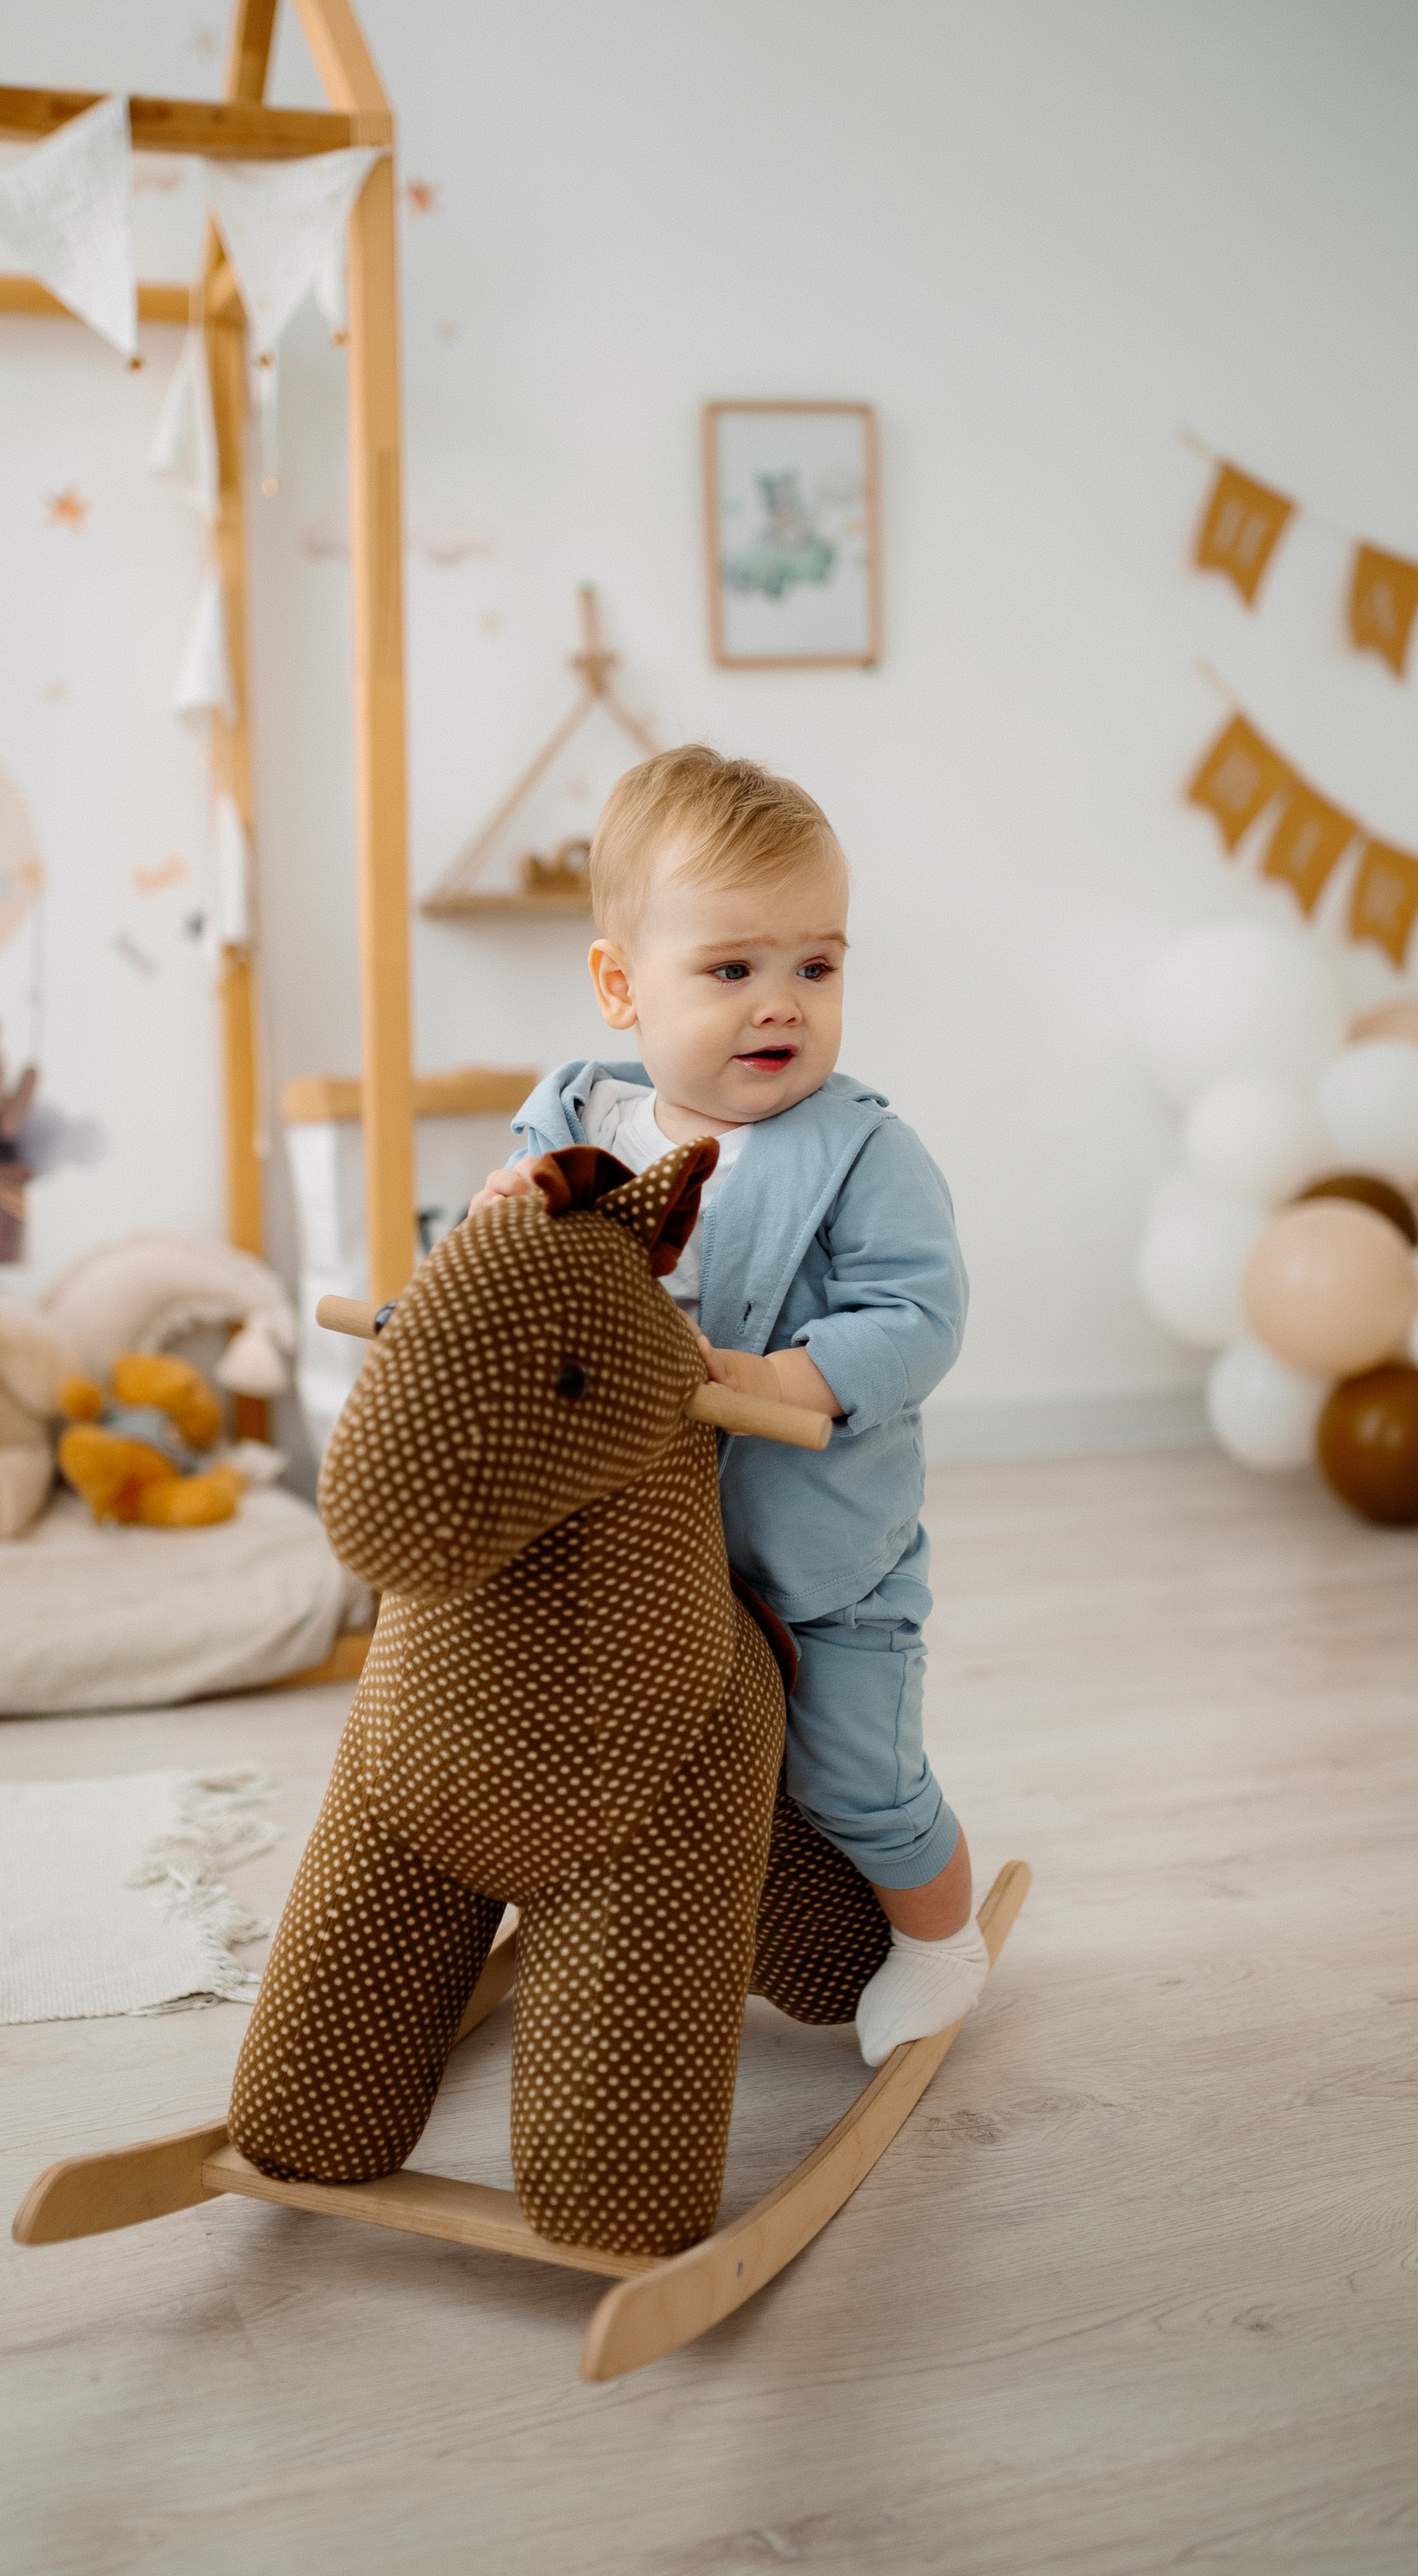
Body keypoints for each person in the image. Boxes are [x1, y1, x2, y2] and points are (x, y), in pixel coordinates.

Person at [469, 744, 980, 2066]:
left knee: (852, 1778)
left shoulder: (863, 1151)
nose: (782, 1006)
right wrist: (496, 1225)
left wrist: (775, 1378)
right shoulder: (580, 1116)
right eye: (732, 968)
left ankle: (938, 1939)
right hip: (620, 1548)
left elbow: (914, 1316)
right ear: (617, 983)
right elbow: (508, 1249)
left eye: (816, 966)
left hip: (807, 1564)